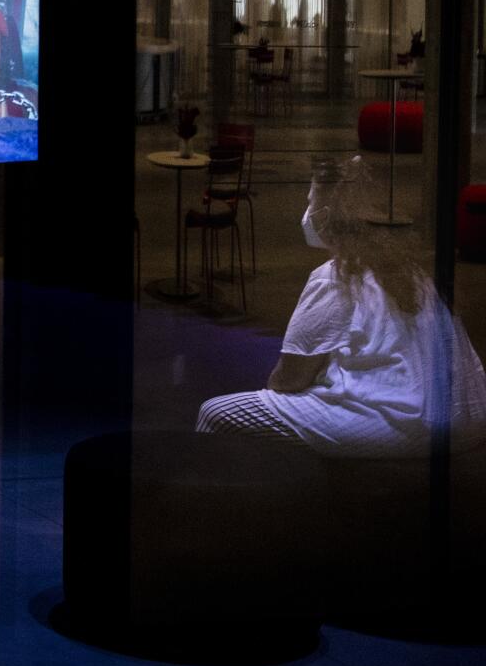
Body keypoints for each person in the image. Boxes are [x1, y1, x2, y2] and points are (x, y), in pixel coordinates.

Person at [196, 156, 486, 454]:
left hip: (401, 426)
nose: (307, 213)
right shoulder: (414, 271)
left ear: (326, 214)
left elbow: (290, 378)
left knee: (215, 412)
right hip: (464, 418)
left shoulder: (335, 277)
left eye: (310, 202)